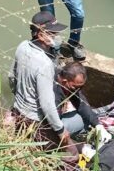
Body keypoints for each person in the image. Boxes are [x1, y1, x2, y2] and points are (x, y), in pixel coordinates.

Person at [8, 11, 79, 163]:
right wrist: (60, 130)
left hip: (19, 113)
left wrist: (20, 100)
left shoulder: (22, 47)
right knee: (72, 155)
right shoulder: (44, 63)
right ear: (40, 35)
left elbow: (11, 78)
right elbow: (47, 105)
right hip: (36, 122)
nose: (57, 37)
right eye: (53, 33)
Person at [55, 61, 111, 142]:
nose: (78, 90)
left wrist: (98, 125)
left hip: (56, 120)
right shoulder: (54, 92)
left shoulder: (69, 86)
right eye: (76, 87)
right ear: (64, 81)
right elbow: (52, 121)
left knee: (87, 118)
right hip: (47, 126)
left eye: (81, 87)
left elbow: (82, 105)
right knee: (80, 121)